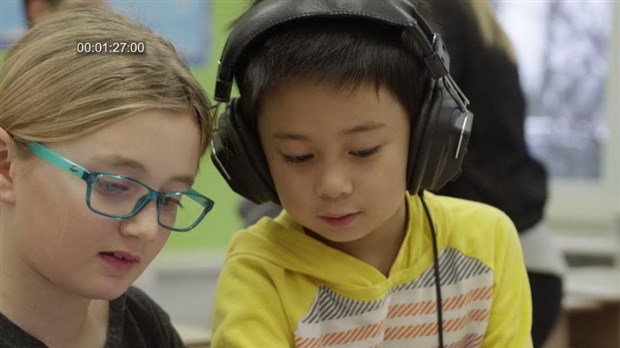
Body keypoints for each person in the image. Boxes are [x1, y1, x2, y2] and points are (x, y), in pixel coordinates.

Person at [210, 0, 532, 347]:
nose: (333, 186)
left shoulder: (485, 244)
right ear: (253, 156)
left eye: (364, 151)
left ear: (426, 135)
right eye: (298, 156)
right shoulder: (260, 273)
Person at [0, 6, 215, 347]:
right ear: (5, 166)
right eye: (114, 185)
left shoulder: (146, 328)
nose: (147, 229)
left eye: (170, 199)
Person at [429, 1, 565, 347]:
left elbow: (428, 120)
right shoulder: (481, 23)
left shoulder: (441, 18)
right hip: (536, 257)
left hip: (501, 264)